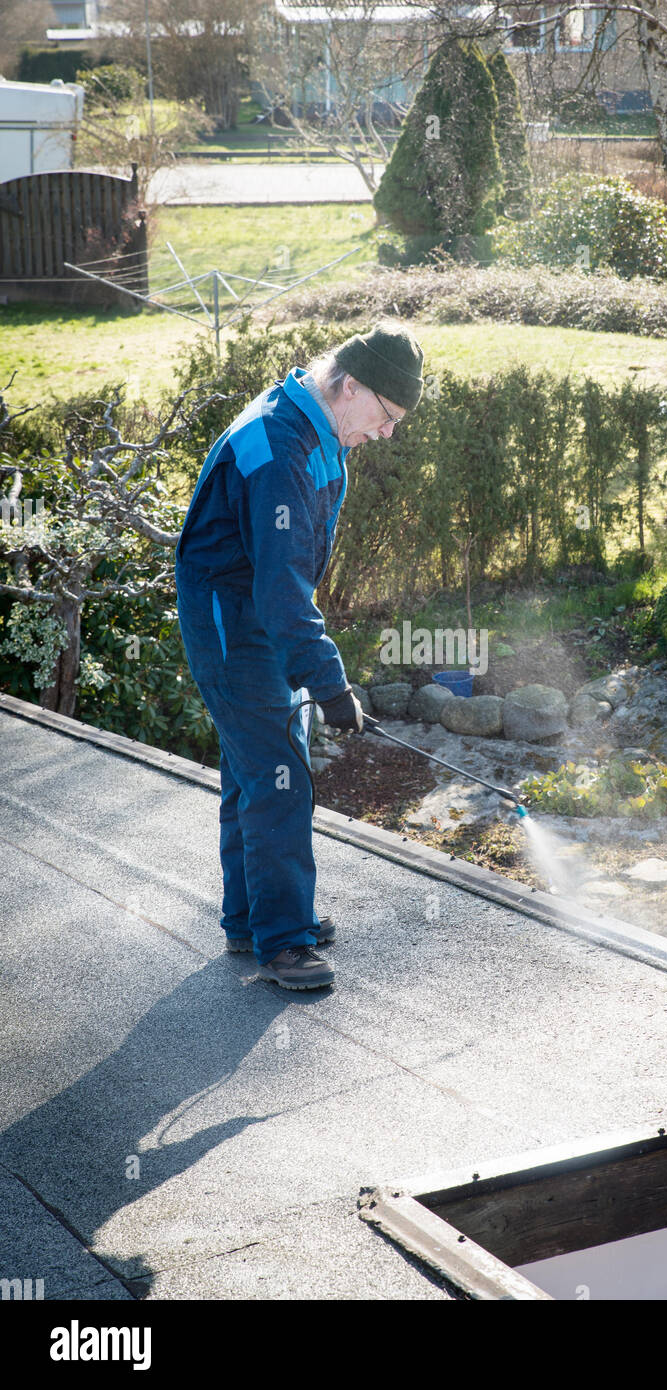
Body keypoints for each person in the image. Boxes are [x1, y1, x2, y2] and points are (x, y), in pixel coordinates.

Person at [175, 321, 425, 990]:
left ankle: (252, 919)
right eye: (386, 416)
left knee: (252, 769)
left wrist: (313, 669)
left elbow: (285, 577)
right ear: (349, 386)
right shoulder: (280, 444)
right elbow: (281, 584)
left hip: (256, 613)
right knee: (279, 776)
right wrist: (329, 681)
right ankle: (283, 943)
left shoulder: (314, 424)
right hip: (234, 621)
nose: (387, 433)